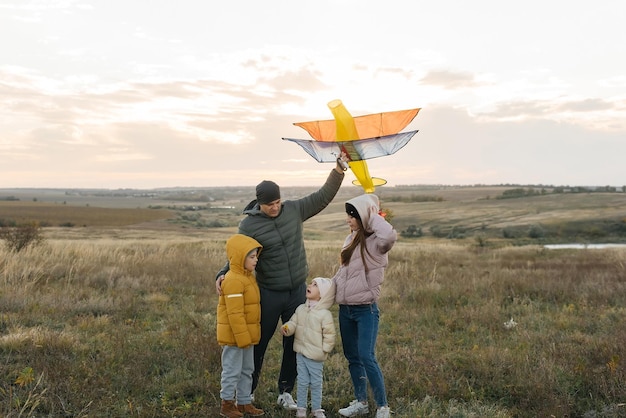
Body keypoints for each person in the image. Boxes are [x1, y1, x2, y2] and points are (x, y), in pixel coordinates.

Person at [216, 156, 347, 410]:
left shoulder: (294, 210)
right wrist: (222, 273)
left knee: (294, 342)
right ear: (260, 203)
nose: (275, 208)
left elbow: (322, 197)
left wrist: (339, 170)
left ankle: (285, 391)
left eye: (277, 202)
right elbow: (237, 251)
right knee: (258, 342)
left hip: (297, 290)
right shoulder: (249, 224)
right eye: (269, 205)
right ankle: (247, 394)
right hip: (268, 292)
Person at [333, 194, 397, 418]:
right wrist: (323, 291)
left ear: (364, 216)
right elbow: (343, 273)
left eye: (353, 215)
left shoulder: (378, 244)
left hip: (365, 310)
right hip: (346, 310)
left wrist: (372, 214)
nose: (348, 219)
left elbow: (389, 234)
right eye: (348, 215)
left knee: (366, 356)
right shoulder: (350, 239)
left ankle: (382, 406)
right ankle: (361, 402)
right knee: (352, 357)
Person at [217, 234, 265, 418]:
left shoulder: (247, 277)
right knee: (232, 370)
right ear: (239, 258)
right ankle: (227, 404)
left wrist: (248, 337)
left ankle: (244, 402)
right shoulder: (234, 280)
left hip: (246, 336)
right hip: (235, 337)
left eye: (256, 256)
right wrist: (243, 338)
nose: (256, 260)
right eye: (252, 257)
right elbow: (235, 314)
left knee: (247, 370)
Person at [281, 277, 336, 418]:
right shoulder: (301, 309)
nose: (310, 285)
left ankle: (316, 408)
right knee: (302, 382)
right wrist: (288, 328)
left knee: (316, 383)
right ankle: (301, 408)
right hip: (301, 353)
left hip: (316, 356)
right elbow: (293, 322)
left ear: (322, 294)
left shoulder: (324, 314)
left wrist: (325, 349)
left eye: (315, 285)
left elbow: (330, 334)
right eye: (311, 283)